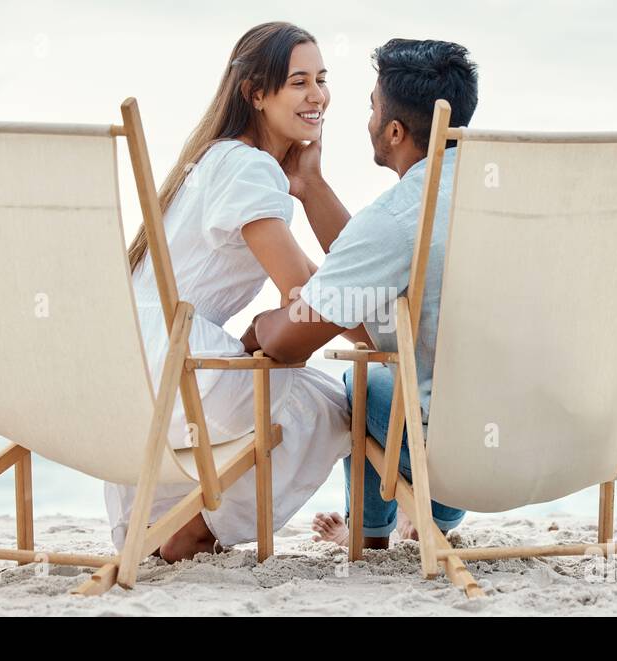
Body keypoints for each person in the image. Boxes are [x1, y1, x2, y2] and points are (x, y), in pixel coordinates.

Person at [104, 22, 357, 562]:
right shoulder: (248, 167)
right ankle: (196, 530)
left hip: (124, 365)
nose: (317, 96)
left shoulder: (215, 158)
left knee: (283, 391)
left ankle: (159, 527)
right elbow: (308, 296)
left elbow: (310, 283)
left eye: (322, 79)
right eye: (298, 82)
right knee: (327, 406)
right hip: (172, 367)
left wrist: (306, 183)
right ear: (256, 94)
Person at [240, 38, 480, 549]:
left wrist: (259, 326)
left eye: (372, 108)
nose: (367, 118)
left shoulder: (400, 216)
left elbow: (288, 342)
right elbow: (374, 274)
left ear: (394, 131)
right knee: (391, 361)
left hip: (456, 459)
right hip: (548, 444)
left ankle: (370, 535)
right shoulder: (512, 192)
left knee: (365, 379)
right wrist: (309, 187)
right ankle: (421, 518)